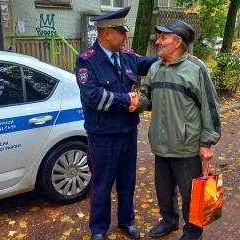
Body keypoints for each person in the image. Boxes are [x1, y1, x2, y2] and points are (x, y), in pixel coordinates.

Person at [75, 6, 158, 240]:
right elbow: (93, 98)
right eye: (121, 32)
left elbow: (152, 63)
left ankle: (126, 222)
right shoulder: (87, 62)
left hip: (128, 133)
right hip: (102, 136)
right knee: (101, 186)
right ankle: (98, 229)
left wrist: (176, 55)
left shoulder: (128, 57)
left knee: (127, 182)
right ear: (106, 33)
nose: (125, 37)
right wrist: (128, 99)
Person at [134, 20, 222, 240]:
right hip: (161, 144)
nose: (158, 41)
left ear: (178, 41)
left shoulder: (196, 69)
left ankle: (193, 230)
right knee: (163, 191)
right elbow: (148, 99)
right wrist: (138, 102)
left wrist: (207, 143)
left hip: (187, 146)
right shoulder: (155, 68)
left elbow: (210, 107)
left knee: (190, 194)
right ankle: (169, 221)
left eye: (163, 37)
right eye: (159, 37)